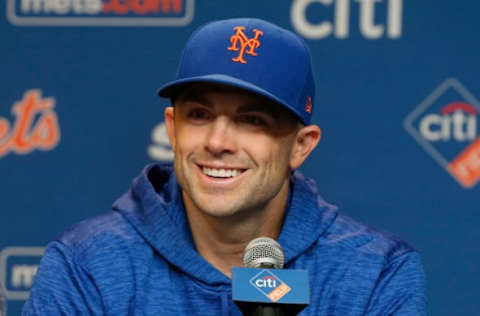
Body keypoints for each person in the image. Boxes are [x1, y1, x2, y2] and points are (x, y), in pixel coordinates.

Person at [23, 18, 426, 315]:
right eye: (198, 115)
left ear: (300, 146)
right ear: (172, 129)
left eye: (252, 121)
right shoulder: (85, 264)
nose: (217, 143)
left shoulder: (375, 273)